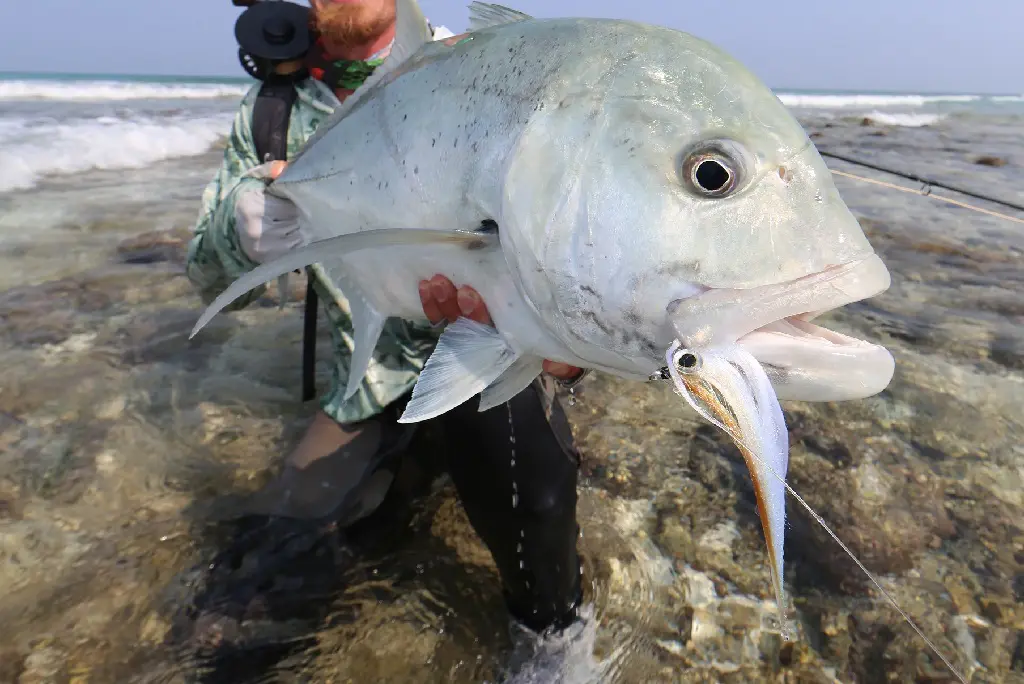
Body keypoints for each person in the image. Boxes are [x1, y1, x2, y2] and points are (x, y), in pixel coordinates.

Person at [186, 0, 589, 634]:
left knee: (532, 502)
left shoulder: (490, 70)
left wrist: (567, 354)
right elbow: (209, 280)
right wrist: (243, 233)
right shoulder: (274, 113)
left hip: (486, 352)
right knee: (263, 583)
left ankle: (556, 636)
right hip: (364, 382)